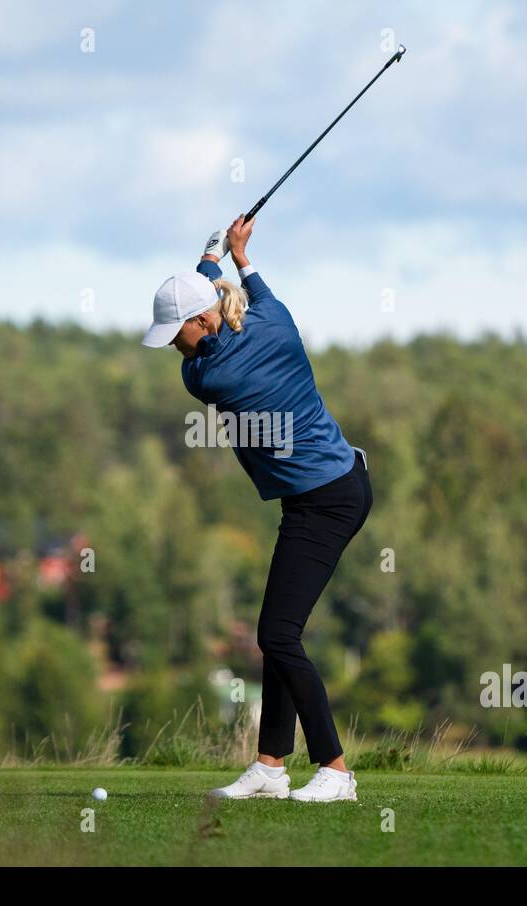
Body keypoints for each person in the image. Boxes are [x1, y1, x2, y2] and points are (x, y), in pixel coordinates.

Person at [141, 215, 372, 802]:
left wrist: (209, 261)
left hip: (328, 501)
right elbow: (254, 288)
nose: (174, 346)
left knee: (278, 635)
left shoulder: (211, 374)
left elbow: (205, 349)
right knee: (280, 633)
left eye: (176, 334)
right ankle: (270, 765)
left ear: (200, 320)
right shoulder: (275, 318)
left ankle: (336, 771)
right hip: (326, 489)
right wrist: (237, 257)